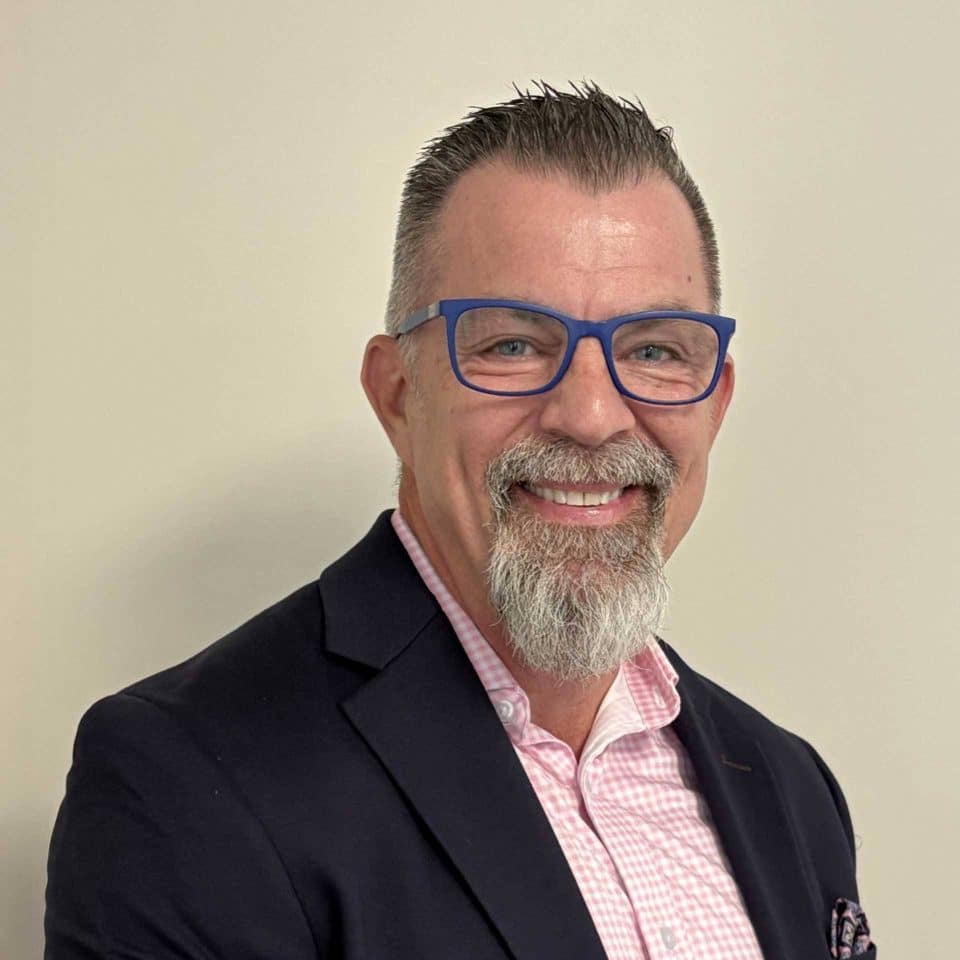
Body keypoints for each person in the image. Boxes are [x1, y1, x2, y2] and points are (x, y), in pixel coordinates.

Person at [45, 83, 875, 960]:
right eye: (512, 344)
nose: (591, 415)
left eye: (656, 351)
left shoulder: (787, 786)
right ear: (398, 393)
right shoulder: (183, 778)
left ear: (716, 401)